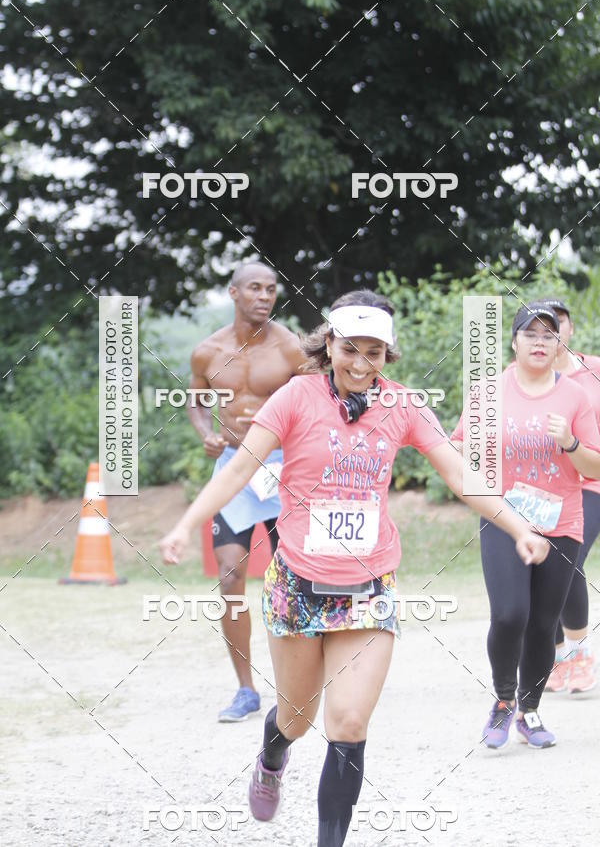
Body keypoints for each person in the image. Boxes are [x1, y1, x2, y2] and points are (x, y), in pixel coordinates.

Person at [161, 290, 549, 846]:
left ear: (388, 354)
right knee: (296, 718)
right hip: (296, 581)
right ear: (328, 345)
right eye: (350, 349)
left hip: (369, 587)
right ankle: (272, 758)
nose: (361, 364)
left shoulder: (403, 406)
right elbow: (239, 469)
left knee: (347, 724)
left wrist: (519, 527)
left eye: (374, 352)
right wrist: (186, 523)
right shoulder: (296, 397)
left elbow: (461, 475)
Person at [451, 301, 600, 749]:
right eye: (530, 334)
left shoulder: (576, 395)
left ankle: (530, 711)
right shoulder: (487, 393)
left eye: (548, 335)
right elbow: (458, 452)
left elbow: (594, 463)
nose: (539, 342)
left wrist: (569, 442)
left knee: (541, 624)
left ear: (559, 345)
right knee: (510, 613)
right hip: (504, 518)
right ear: (513, 342)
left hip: (562, 522)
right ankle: (502, 702)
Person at [186, 261, 306, 721]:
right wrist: (205, 434)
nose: (265, 296)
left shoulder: (291, 348)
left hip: (283, 468)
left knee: (292, 579)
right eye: (255, 288)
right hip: (233, 467)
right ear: (233, 293)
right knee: (230, 576)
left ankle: (298, 683)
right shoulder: (207, 352)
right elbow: (196, 399)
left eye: (272, 289)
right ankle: (245, 690)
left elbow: (316, 400)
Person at [537, 298, 600, 694]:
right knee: (550, 564)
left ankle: (577, 652)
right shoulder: (528, 376)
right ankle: (558, 653)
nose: (550, 334)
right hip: (545, 487)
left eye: (557, 325)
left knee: (569, 555)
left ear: (570, 329)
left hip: (592, 480)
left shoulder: (594, 370)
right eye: (541, 328)